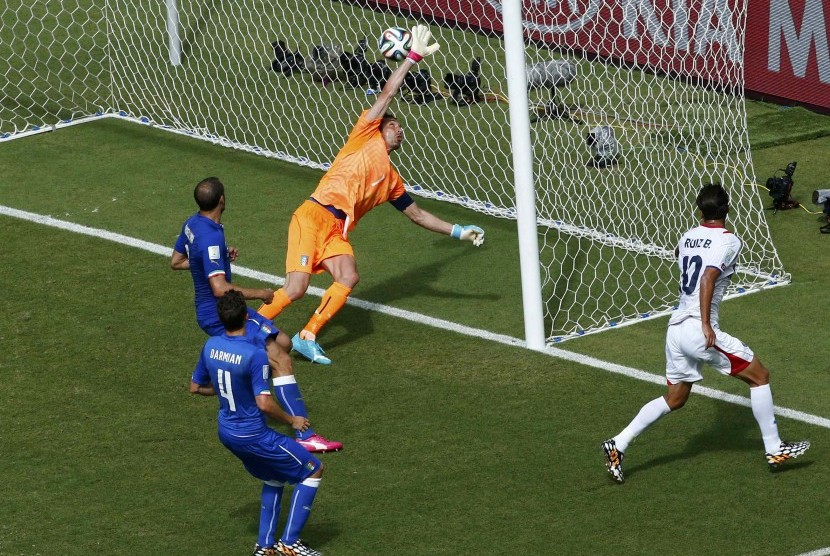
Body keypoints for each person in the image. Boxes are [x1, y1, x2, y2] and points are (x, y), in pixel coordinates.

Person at [257, 25, 485, 365]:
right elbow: (387, 95)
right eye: (394, 125)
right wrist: (411, 59)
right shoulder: (363, 136)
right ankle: (249, 327)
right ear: (379, 127)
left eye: (400, 127)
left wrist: (457, 231)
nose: (400, 129)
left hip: (336, 230)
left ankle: (307, 336)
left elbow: (418, 215)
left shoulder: (392, 179)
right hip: (314, 215)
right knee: (296, 289)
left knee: (349, 277)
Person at [601, 183, 810, 483]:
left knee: (675, 398)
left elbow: (681, 254)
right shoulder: (729, 241)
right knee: (759, 376)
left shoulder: (687, 236)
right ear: (727, 209)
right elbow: (708, 277)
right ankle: (775, 448)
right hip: (699, 332)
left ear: (700, 210)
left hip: (675, 330)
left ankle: (617, 444)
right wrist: (707, 325)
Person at [173, 177, 342, 453]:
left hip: (211, 310)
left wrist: (218, 259)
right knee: (281, 359)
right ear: (222, 200)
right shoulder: (211, 236)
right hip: (222, 312)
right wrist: (260, 293)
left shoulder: (193, 224)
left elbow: (177, 261)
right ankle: (305, 434)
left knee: (283, 342)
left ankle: (249, 387)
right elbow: (219, 288)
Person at [191, 290, 324, 556]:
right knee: (313, 469)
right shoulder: (255, 355)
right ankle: (290, 543)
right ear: (246, 316)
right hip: (252, 434)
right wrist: (292, 420)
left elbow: (196, 387)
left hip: (226, 432)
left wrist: (224, 388)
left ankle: (265, 547)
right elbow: (264, 403)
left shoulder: (211, 346)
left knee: (273, 476)